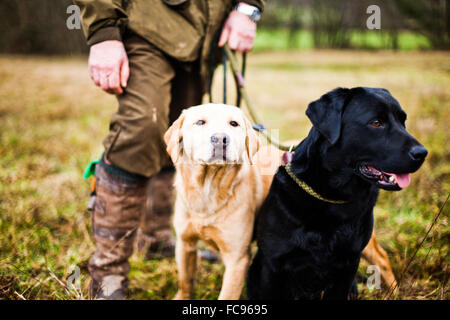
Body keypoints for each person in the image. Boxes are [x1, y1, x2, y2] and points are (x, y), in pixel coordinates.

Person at [74, 0, 264, 300]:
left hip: (205, 34)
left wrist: (247, 7)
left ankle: (158, 239)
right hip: (145, 24)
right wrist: (103, 31)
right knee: (142, 130)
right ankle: (108, 272)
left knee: (186, 138)